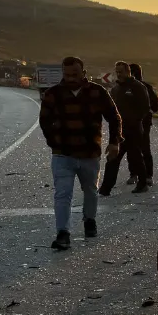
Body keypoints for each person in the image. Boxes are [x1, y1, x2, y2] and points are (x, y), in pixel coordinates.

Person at [38, 56, 121, 251]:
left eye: (75, 74)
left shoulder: (97, 92)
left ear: (83, 73)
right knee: (62, 194)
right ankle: (63, 233)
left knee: (91, 191)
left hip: (90, 154)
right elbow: (44, 121)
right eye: (67, 75)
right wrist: (54, 143)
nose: (71, 78)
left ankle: (89, 220)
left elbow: (114, 117)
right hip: (62, 155)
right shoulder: (53, 94)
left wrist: (115, 141)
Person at [99, 61, 151, 195]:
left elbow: (145, 107)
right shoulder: (116, 89)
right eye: (117, 72)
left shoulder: (138, 87)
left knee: (136, 157)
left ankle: (143, 183)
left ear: (128, 72)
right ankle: (105, 189)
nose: (118, 74)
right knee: (113, 158)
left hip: (134, 129)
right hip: (119, 131)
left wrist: (134, 120)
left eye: (121, 71)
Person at [127, 63, 158, 186]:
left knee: (144, 148)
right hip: (129, 123)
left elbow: (155, 104)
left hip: (143, 123)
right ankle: (134, 174)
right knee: (132, 149)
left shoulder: (145, 87)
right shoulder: (124, 87)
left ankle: (147, 175)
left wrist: (147, 114)